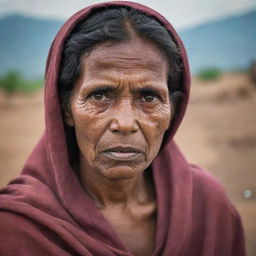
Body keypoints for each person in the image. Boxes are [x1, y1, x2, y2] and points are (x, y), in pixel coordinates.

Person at [0, 1, 245, 256]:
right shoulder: (15, 228)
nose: (125, 123)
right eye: (100, 95)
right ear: (65, 108)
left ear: (174, 111)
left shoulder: (208, 207)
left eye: (148, 97)